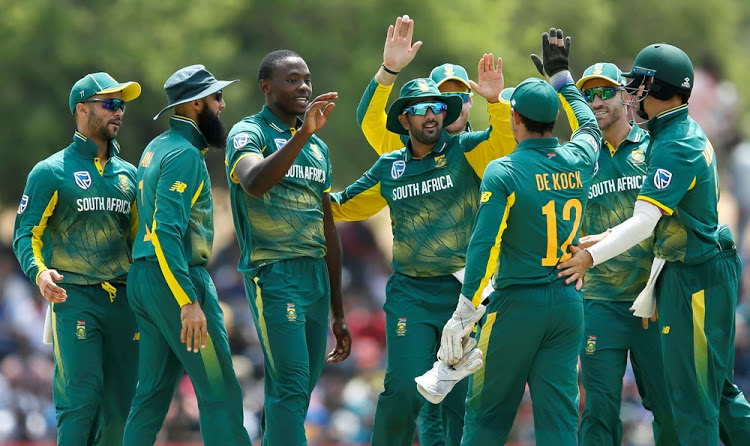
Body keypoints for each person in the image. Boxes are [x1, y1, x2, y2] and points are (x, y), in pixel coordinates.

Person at [557, 43, 750, 446]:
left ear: (660, 89)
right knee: (709, 392)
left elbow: (645, 222)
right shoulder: (671, 132)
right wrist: (607, 238)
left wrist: (592, 255)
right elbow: (660, 219)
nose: (632, 94)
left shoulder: (672, 144)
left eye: (638, 86)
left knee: (692, 402)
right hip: (685, 274)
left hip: (693, 277)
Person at [437, 29, 600, 445]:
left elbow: (484, 242)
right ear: (552, 120)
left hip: (517, 304)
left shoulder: (504, 171)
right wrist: (562, 76)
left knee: (487, 416)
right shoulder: (580, 157)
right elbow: (587, 123)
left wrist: (464, 308)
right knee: (560, 417)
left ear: (514, 120)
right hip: (567, 302)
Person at [331, 57, 507, 443]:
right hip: (410, 293)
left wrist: (496, 103)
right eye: (421, 109)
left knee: (457, 399)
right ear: (404, 119)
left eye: (438, 108)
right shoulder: (390, 166)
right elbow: (342, 205)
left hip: (464, 294)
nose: (431, 115)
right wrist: (290, 190)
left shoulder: (467, 150)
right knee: (404, 389)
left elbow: (505, 143)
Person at [224, 50, 351, 446]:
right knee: (292, 385)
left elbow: (327, 226)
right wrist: (302, 134)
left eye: (306, 79)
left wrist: (338, 311)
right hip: (274, 273)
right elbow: (254, 182)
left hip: (315, 277)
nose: (304, 87)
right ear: (266, 87)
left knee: (298, 390)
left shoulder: (318, 149)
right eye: (292, 80)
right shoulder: (249, 132)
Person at [122, 65, 251, 446]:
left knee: (151, 396)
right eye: (216, 98)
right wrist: (187, 299)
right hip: (176, 281)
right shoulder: (185, 156)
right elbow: (165, 231)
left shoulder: (156, 147)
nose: (223, 105)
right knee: (219, 390)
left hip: (146, 279)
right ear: (196, 104)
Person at [13, 72, 141, 445]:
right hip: (75, 298)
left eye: (122, 105)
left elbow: (139, 243)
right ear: (82, 109)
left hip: (123, 301)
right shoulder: (51, 172)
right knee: (81, 400)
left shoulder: (130, 176)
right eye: (110, 104)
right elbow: (26, 233)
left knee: (121, 408)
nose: (119, 112)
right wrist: (39, 275)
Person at [562, 62, 678, 445]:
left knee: (667, 406)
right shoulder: (576, 157)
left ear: (626, 95)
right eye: (587, 94)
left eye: (604, 91)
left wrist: (661, 286)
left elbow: (668, 224)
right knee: (598, 411)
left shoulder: (655, 147)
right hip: (598, 302)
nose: (596, 101)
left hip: (652, 299)